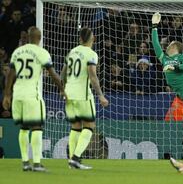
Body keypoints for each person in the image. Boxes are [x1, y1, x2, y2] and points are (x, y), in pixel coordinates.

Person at [2, 27, 66, 172]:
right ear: (40, 37)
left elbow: (10, 74)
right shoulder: (41, 52)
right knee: (37, 127)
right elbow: (53, 75)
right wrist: (62, 89)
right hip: (32, 95)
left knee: (24, 128)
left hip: (18, 94)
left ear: (28, 37)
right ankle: (36, 163)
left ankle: (25, 162)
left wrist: (7, 94)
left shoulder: (18, 52)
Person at [61, 28, 109, 170]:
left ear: (80, 39)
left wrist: (62, 88)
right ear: (92, 38)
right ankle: (75, 159)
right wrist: (100, 95)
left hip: (69, 93)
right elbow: (93, 75)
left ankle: (72, 160)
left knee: (75, 126)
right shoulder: (91, 53)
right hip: (82, 94)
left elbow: (63, 72)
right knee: (89, 126)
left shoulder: (72, 52)